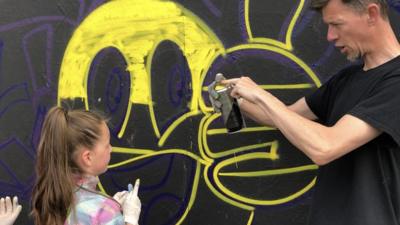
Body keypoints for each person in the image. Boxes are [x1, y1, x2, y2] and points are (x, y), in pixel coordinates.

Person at [219, 0, 400, 224]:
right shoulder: (346, 79)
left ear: (371, 14)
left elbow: (325, 147)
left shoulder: (396, 82)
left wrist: (262, 95)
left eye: (337, 24)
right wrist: (231, 99)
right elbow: (282, 117)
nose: (330, 36)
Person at [31, 106, 141, 225]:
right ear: (88, 158)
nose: (111, 149)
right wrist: (129, 219)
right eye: (107, 144)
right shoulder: (102, 211)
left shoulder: (56, 196)